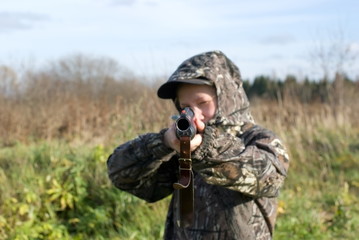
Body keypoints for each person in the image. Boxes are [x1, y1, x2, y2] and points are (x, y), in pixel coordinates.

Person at [107, 50, 289, 240]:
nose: (194, 114)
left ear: (227, 98)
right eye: (185, 107)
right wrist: (162, 143)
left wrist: (206, 148)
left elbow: (268, 177)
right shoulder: (179, 148)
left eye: (202, 102)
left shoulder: (258, 139)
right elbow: (122, 176)